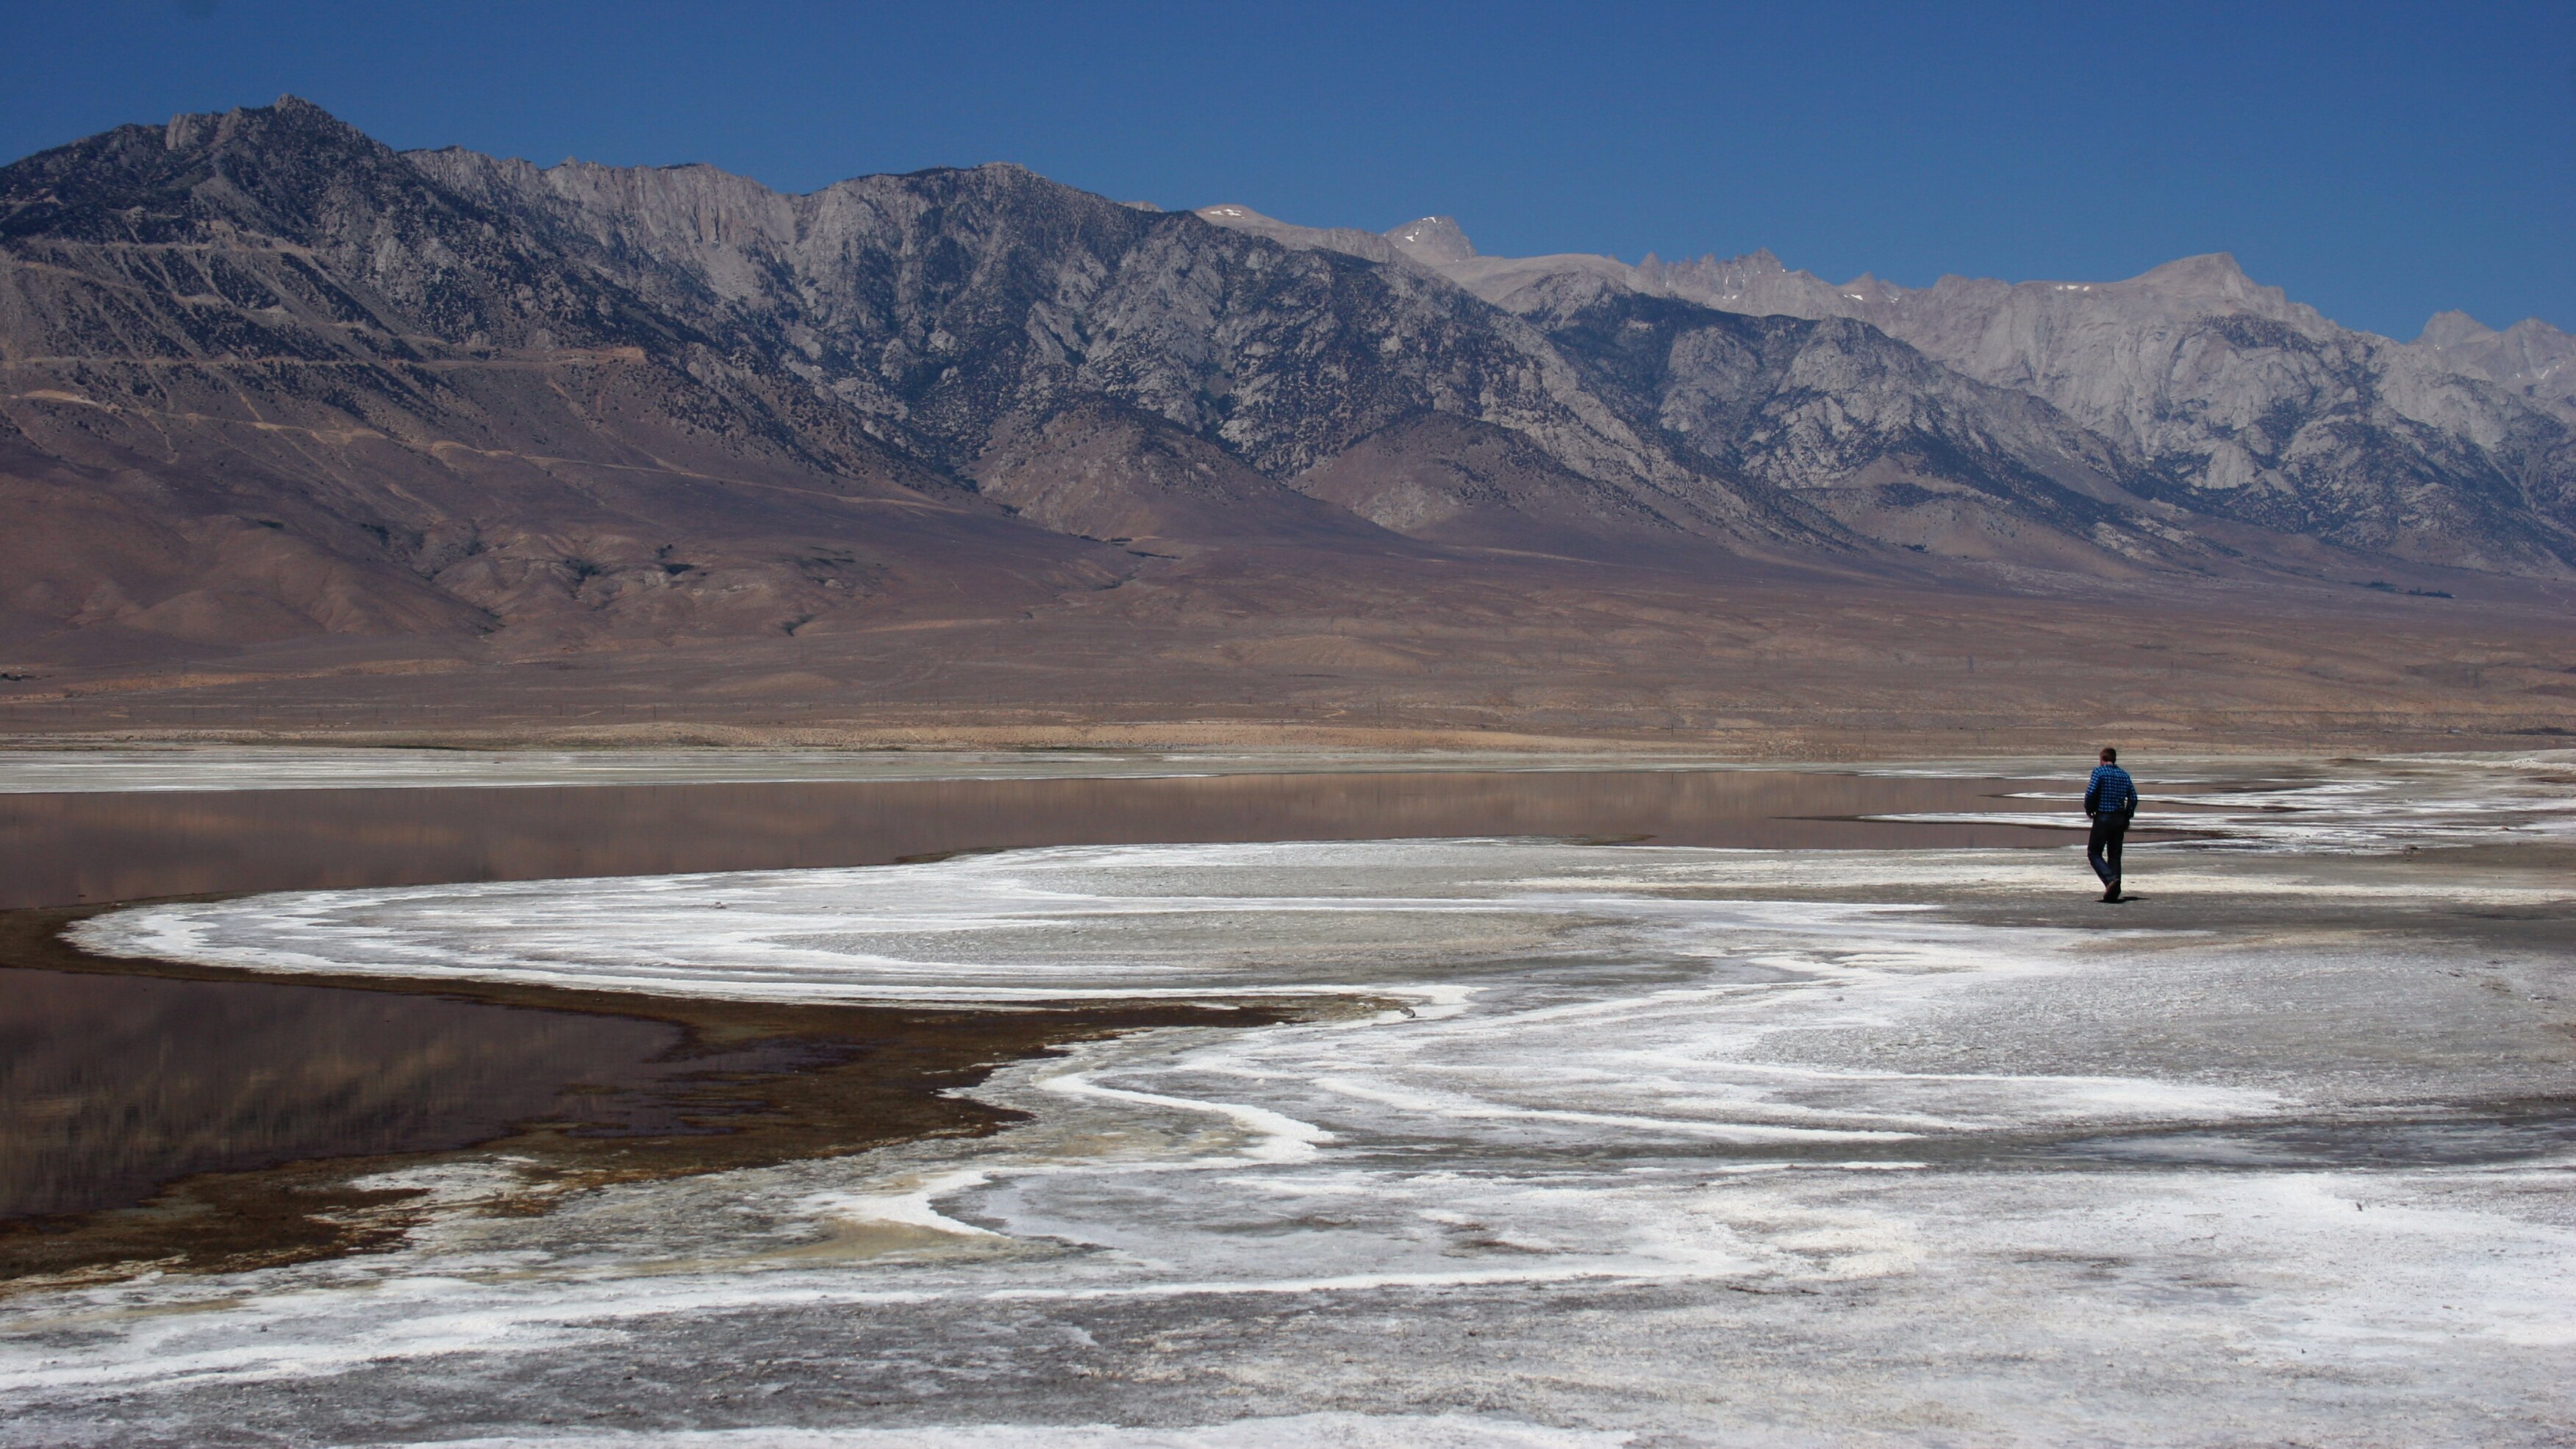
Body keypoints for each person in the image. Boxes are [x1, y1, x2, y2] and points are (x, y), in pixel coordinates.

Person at [2083, 746, 2137, 903]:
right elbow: (2133, 797)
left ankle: (2110, 880)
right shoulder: (2124, 775)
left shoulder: (2099, 772)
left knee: (2094, 852)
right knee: (2114, 854)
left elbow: (2091, 792)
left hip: (2104, 817)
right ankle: (2114, 888)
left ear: (2102, 758)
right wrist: (2128, 816)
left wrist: (2090, 809)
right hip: (2119, 818)